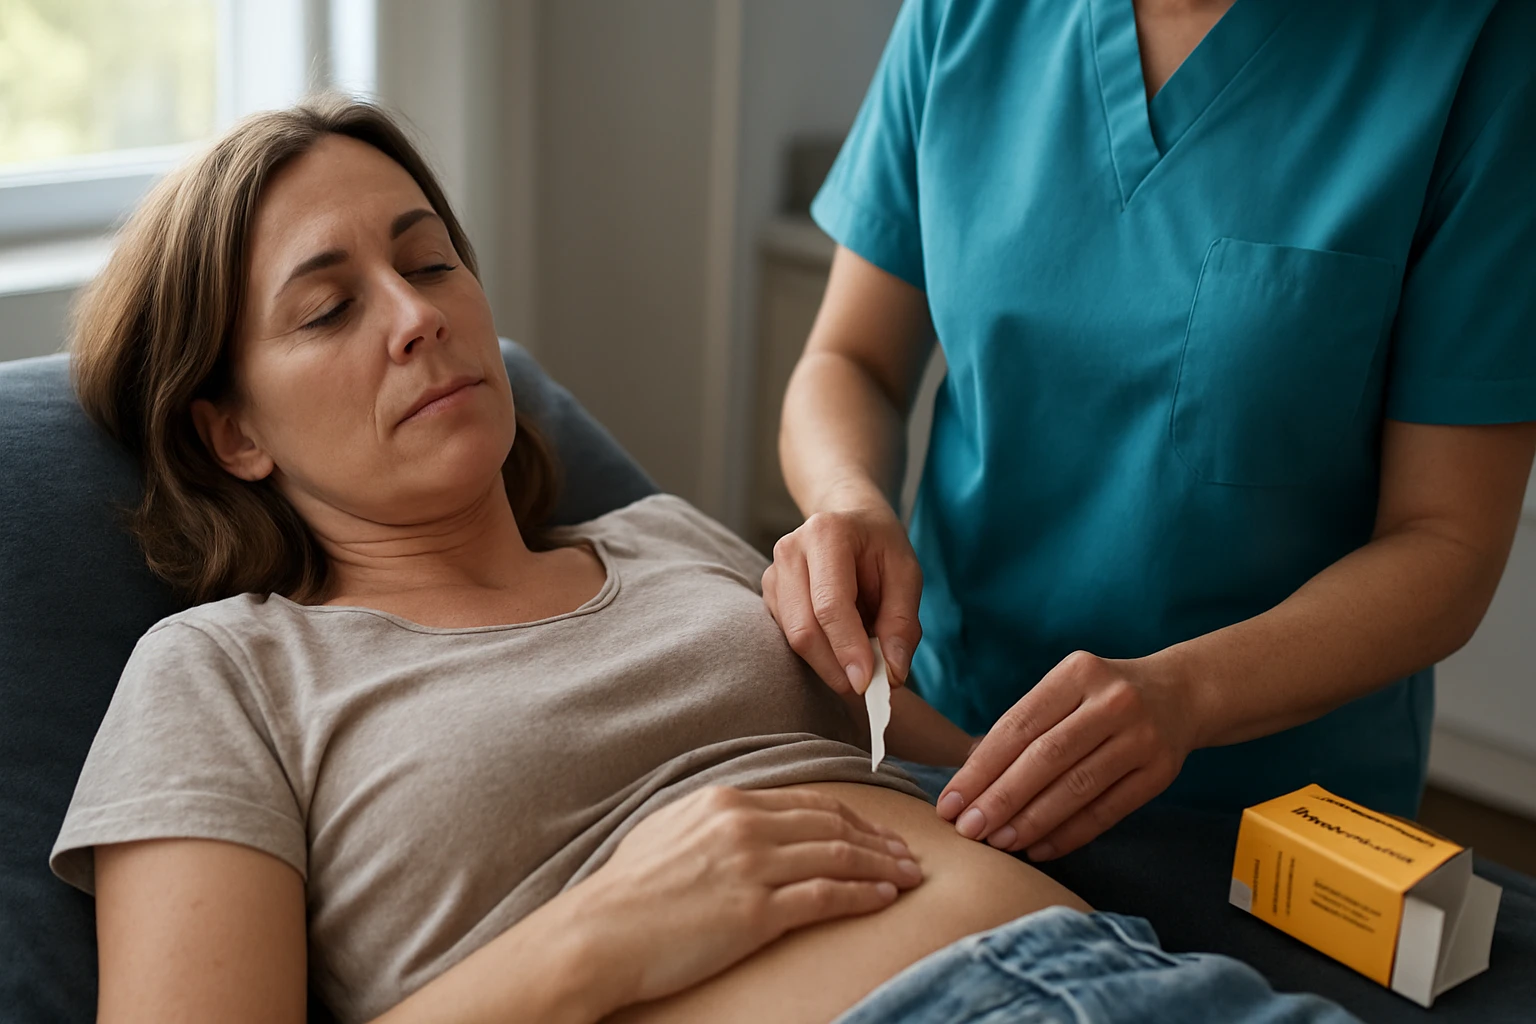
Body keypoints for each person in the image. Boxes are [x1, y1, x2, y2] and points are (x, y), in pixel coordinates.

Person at [49, 98, 1358, 1024]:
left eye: (431, 260)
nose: (418, 319)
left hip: (1144, 981)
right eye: (330, 306)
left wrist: (1111, 729)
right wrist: (601, 937)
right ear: (230, 432)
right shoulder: (223, 676)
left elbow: (983, 787)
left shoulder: (669, 540)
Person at [769, 0, 1536, 864]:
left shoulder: (1481, 47)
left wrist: (1188, 695)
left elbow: (1447, 543)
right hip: (946, 750)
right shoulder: (962, 18)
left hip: (1259, 829)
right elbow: (849, 359)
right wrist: (850, 500)